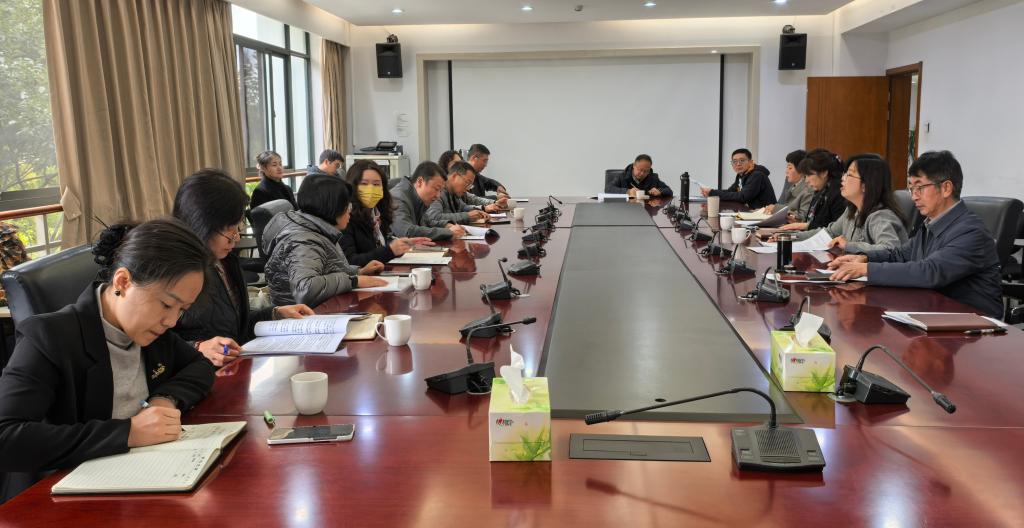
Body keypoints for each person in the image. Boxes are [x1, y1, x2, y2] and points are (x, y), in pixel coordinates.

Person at [0, 219, 216, 502]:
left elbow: (199, 365)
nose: (172, 321)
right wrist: (127, 433)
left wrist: (165, 399)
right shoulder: (48, 337)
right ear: (123, 282)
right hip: (58, 499)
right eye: (166, 304)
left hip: (139, 481)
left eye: (182, 309)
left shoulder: (152, 331)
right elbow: (6, 437)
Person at [828, 150, 1002, 318]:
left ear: (946, 188)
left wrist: (867, 269)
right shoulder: (931, 224)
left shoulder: (971, 232)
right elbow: (900, 254)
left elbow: (930, 271)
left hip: (973, 322)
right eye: (911, 188)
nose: (914, 197)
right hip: (934, 312)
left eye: (920, 187)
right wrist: (864, 258)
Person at [171, 169, 314, 367]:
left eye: (237, 228)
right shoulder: (174, 270)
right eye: (230, 230)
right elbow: (153, 345)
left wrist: (275, 314)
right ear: (202, 224)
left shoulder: (226, 261)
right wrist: (198, 347)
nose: (236, 238)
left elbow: (236, 326)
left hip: (234, 366)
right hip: (199, 371)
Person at [263, 175, 388, 307]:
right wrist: (354, 281)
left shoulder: (318, 228)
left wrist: (358, 272)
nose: (350, 212)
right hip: (307, 315)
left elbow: (328, 268)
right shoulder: (304, 240)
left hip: (323, 306)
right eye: (347, 206)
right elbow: (305, 288)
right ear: (332, 208)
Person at [789, 156, 907, 253]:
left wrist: (848, 245)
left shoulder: (880, 216)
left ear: (866, 185)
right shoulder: (852, 210)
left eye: (849, 175)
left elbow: (891, 248)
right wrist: (790, 237)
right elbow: (830, 233)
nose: (843, 178)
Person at [341, 160, 434, 267]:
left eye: (376, 184)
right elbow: (349, 262)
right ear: (353, 186)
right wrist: (390, 251)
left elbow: (380, 245)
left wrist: (404, 244)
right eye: (364, 184)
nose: (371, 189)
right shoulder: (345, 217)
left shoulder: (378, 212)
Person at [391, 161, 466, 241]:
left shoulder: (417, 197)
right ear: (420, 182)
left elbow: (426, 222)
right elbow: (407, 231)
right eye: (436, 189)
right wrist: (448, 232)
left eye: (440, 191)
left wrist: (446, 225)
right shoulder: (398, 197)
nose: (438, 196)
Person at [778, 149, 848, 232]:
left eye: (809, 175)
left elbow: (834, 231)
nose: (806, 180)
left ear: (823, 173)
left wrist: (804, 226)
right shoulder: (819, 191)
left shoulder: (838, 194)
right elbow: (814, 222)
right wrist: (799, 222)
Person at [426, 161, 509, 225]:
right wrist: (468, 216)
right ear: (455, 176)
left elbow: (463, 207)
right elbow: (434, 217)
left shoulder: (453, 192)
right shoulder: (438, 191)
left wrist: (480, 210)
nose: (468, 189)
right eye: (467, 182)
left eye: (470, 185)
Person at [700, 148, 776, 209]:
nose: (738, 164)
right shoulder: (741, 175)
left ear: (751, 162)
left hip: (765, 215)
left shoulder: (757, 175)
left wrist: (713, 193)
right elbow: (730, 191)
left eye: (742, 160)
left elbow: (743, 197)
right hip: (753, 213)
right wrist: (711, 192)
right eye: (735, 161)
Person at [765, 150, 814, 221]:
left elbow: (802, 218)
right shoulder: (793, 186)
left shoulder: (808, 190)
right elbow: (785, 205)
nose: (786, 171)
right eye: (787, 168)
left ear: (801, 170)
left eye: (790, 168)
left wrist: (776, 208)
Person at [605, 154, 673, 198]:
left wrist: (660, 192)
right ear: (634, 165)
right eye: (640, 170)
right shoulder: (623, 176)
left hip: (646, 210)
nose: (642, 173)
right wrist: (628, 191)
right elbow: (608, 189)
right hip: (626, 209)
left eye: (646, 171)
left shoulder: (653, 178)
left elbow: (669, 191)